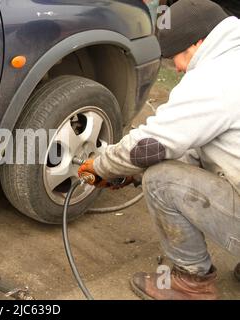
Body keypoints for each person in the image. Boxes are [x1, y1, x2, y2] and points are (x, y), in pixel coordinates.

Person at [78, 0, 240, 300]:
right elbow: (204, 141)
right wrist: (132, 173)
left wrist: (102, 166)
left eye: (177, 56)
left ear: (199, 42)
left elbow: (150, 146)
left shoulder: (214, 80)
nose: (177, 68)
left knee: (160, 181)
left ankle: (192, 285)